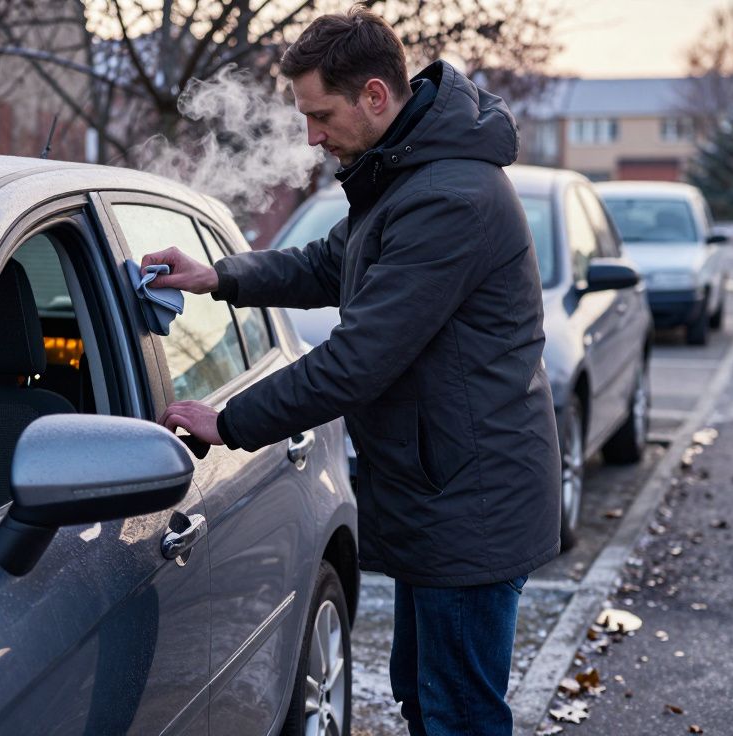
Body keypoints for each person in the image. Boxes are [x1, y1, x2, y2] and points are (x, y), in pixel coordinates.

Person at [145, 6, 561, 735]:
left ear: (375, 95)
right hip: (444, 487)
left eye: (320, 114)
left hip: (472, 501)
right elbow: (329, 263)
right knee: (425, 698)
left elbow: (357, 362)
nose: (310, 136)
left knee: (457, 714)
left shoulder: (448, 198)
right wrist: (218, 275)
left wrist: (229, 420)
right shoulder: (406, 173)